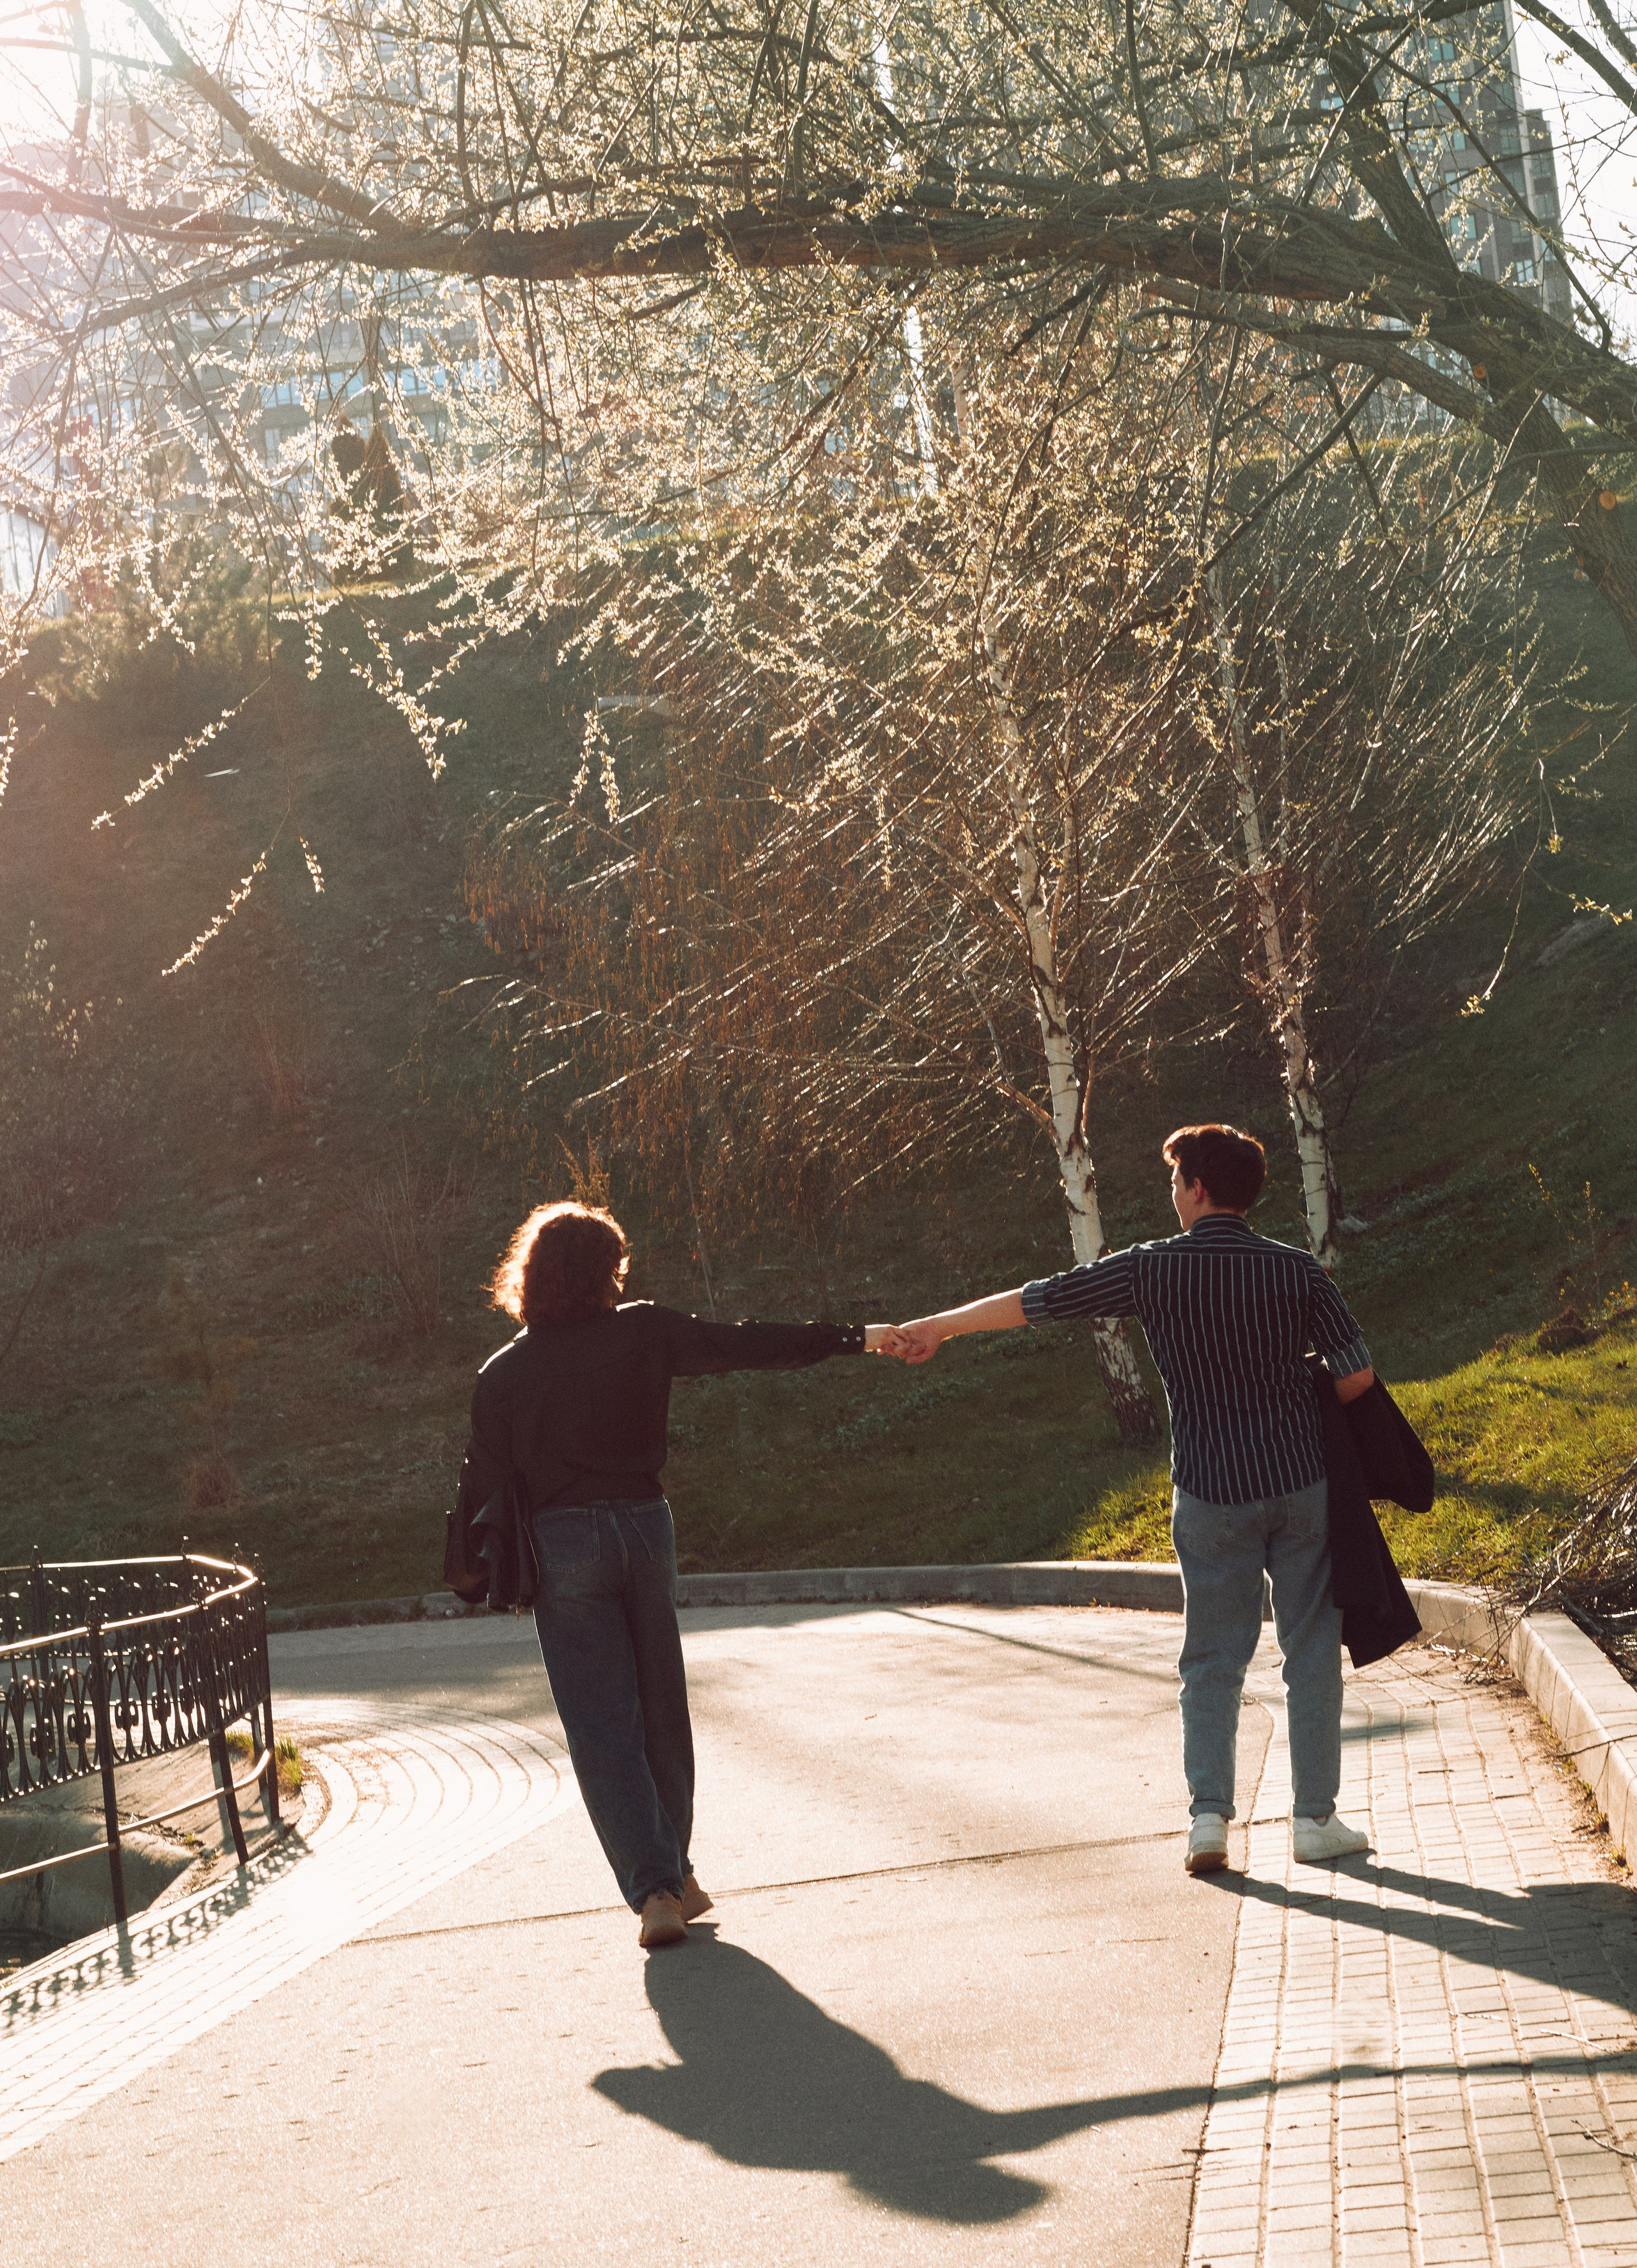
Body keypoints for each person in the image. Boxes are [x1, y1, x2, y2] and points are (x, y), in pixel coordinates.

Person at [890, 1123, 1377, 1877]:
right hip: (1298, 1483)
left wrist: (940, 1328)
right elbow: (1355, 1377)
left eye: (1175, 1180)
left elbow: (1041, 1300)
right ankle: (1314, 1821)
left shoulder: (1150, 1267)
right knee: (1309, 1650)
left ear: (1197, 1189)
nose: (1172, 1192)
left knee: (1211, 1658)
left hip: (1209, 1489)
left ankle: (1208, 1821)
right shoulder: (1297, 1270)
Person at [456, 1199, 899, 1949]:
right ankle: (677, 1873)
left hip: (564, 1544)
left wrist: (482, 1574)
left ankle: (655, 1890)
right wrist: (858, 1337)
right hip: (643, 1527)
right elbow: (745, 1343)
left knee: (601, 1723)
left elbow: (483, 1487)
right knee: (661, 1705)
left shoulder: (502, 1373)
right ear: (607, 1271)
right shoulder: (644, 1331)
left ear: (530, 1275)